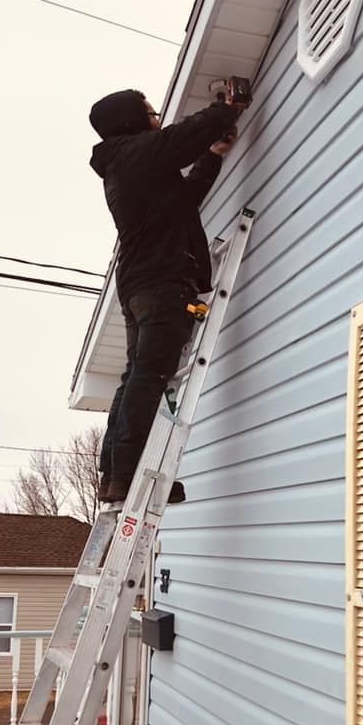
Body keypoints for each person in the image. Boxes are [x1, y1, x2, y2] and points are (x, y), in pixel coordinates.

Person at [89, 88, 246, 504]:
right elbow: (183, 136)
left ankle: (114, 474)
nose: (156, 118)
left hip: (142, 282)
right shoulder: (135, 153)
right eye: (150, 112)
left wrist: (212, 155)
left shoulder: (129, 163)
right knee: (149, 377)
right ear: (130, 120)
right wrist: (227, 108)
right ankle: (129, 475)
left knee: (136, 376)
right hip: (160, 281)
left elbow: (183, 200)